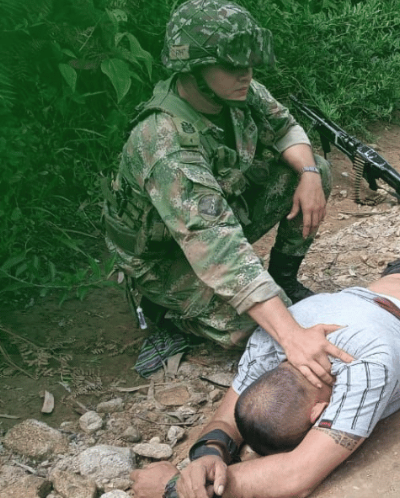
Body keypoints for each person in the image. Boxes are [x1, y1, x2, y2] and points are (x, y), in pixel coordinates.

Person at [130, 222, 400, 498]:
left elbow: (295, 472)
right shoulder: (274, 340)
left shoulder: (362, 371)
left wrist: (182, 484)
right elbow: (239, 429)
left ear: (319, 413)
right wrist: (207, 456)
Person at [102, 0, 351, 383]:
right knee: (255, 331)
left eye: (249, 64)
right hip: (161, 258)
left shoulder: (235, 89)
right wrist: (292, 336)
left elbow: (285, 128)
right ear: (193, 68)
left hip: (217, 220)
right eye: (234, 66)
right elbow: (220, 248)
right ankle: (166, 315)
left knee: (312, 171)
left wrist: (311, 172)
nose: (246, 74)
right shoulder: (165, 142)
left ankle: (283, 279)